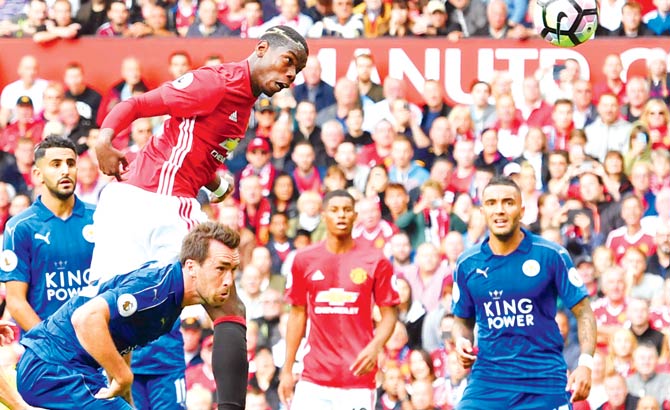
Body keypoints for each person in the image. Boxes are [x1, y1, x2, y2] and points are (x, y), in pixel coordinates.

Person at [92, 25, 308, 410]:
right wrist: (103, 139)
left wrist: (215, 182)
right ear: (261, 50)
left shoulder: (242, 104)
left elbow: (192, 146)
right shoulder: (218, 84)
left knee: (113, 315)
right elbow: (140, 105)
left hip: (129, 200)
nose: (291, 75)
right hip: (161, 201)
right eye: (288, 62)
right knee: (228, 306)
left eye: (298, 71)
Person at [16, 222, 240, 409]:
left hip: (67, 369)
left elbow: (121, 335)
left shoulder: (171, 300)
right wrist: (124, 376)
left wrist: (124, 394)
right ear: (191, 266)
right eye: (220, 269)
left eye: (233, 270)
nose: (229, 281)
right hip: (50, 367)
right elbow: (86, 319)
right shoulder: (156, 290)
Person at [452, 176, 597, 409]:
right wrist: (460, 341)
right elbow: (462, 321)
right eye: (492, 203)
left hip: (544, 382)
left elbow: (585, 313)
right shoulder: (467, 263)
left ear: (521, 210)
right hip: (489, 382)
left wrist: (586, 364)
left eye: (508, 202)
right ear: (482, 211)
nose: (500, 210)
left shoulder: (551, 255)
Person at [278, 190, 400, 409]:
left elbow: (390, 315)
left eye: (346, 210)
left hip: (357, 377)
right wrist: (287, 369)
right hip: (313, 377)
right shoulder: (304, 260)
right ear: (324, 215)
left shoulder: (376, 260)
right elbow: (297, 315)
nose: (341, 215)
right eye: (334, 210)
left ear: (355, 215)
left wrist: (375, 346)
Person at [0, 136, 95, 331]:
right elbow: (16, 302)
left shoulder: (100, 218)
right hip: (46, 352)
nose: (65, 170)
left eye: (70, 163)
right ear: (37, 174)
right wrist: (51, 343)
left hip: (95, 348)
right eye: (55, 164)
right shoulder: (19, 227)